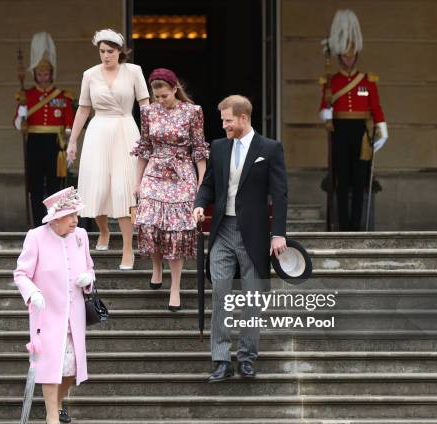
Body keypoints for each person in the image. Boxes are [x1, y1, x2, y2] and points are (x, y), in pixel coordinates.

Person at [193, 95, 288, 382]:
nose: (224, 126)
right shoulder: (219, 148)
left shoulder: (269, 148)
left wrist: (278, 233)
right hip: (222, 230)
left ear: (243, 118)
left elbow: (280, 194)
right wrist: (199, 203)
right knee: (221, 295)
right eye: (223, 121)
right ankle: (221, 360)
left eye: (228, 120)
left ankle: (246, 357)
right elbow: (208, 183)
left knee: (251, 299)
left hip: (255, 233)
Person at [13, 186, 94, 424]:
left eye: (76, 215)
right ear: (56, 218)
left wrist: (87, 279)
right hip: (46, 313)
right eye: (70, 215)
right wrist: (32, 293)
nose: (75, 220)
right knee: (51, 365)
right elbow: (21, 274)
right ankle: (51, 417)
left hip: (75, 313)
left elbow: (90, 268)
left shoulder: (81, 236)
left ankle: (58, 404)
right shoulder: (36, 237)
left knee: (72, 367)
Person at [66, 29, 150, 270]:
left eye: (110, 51)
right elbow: (83, 109)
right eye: (102, 51)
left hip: (125, 128)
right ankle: (103, 230)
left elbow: (145, 105)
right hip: (98, 130)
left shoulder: (133, 72)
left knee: (124, 189)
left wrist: (149, 136)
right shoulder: (90, 75)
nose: (105, 56)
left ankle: (127, 247)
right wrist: (73, 141)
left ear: (120, 51)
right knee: (98, 186)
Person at [131, 68, 208, 311]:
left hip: (182, 172)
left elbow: (198, 149)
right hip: (154, 171)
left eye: (164, 95)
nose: (161, 101)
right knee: (149, 223)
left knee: (176, 231)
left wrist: (201, 183)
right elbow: (144, 147)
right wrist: (137, 181)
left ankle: (175, 288)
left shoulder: (193, 112)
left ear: (175, 89)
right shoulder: (147, 112)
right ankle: (156, 266)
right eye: (157, 97)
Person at [319, 10, 388, 231]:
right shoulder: (331, 81)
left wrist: (383, 129)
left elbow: (375, 106)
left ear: (356, 56)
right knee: (342, 178)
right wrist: (326, 113)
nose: (348, 59)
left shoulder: (367, 80)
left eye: (352, 56)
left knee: (359, 180)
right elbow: (323, 106)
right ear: (339, 57)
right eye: (345, 56)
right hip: (340, 130)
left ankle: (357, 225)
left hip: (360, 132)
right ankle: (344, 225)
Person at [14, 32, 75, 228]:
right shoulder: (26, 95)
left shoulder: (63, 96)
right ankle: (39, 223)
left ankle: (56, 221)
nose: (43, 77)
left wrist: (68, 147)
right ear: (35, 75)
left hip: (56, 144)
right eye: (39, 74)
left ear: (51, 74)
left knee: (55, 185)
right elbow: (17, 124)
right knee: (36, 186)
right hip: (35, 142)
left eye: (46, 73)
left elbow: (69, 124)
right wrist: (22, 112)